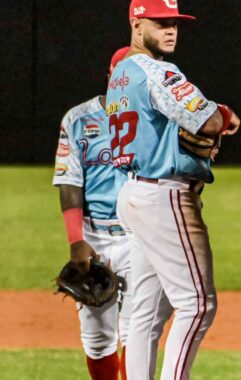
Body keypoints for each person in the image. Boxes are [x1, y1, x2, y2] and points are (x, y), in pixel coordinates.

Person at [107, 0, 240, 378]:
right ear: (136, 23)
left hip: (134, 191)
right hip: (164, 196)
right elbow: (210, 121)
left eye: (175, 23)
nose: (170, 29)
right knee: (198, 305)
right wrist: (225, 114)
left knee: (146, 313)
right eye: (160, 22)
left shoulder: (120, 72)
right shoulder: (157, 70)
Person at [54, 47, 132, 380]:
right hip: (96, 236)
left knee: (137, 335)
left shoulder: (158, 118)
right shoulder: (78, 118)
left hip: (141, 237)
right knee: (98, 342)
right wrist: (76, 241)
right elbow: (70, 182)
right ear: (111, 75)